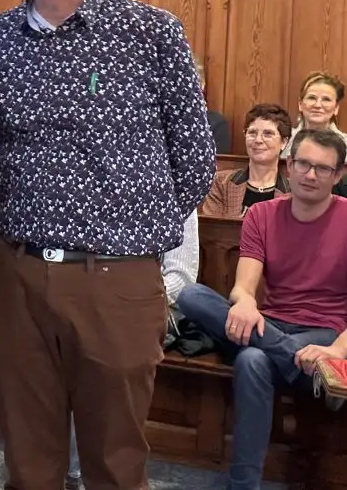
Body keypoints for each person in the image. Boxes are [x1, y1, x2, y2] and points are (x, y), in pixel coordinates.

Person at [0, 0, 216, 490]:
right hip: (17, 275)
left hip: (116, 279)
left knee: (115, 462)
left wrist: (130, 230)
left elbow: (194, 160)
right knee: (27, 459)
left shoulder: (149, 33)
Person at [177, 128, 347, 489]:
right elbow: (244, 286)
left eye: (322, 168)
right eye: (303, 164)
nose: (310, 174)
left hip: (323, 332)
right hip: (268, 322)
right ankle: (322, 371)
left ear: (337, 175)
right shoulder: (262, 214)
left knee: (252, 360)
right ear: (289, 166)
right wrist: (244, 302)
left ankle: (243, 485)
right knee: (190, 296)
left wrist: (337, 350)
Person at [65, 209, 201, 488]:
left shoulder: (175, 186)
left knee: (102, 350)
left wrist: (131, 293)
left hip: (146, 304)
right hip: (81, 301)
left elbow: (182, 277)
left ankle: (82, 472)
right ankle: (67, 470)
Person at [201, 103, 292, 217]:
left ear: (284, 142)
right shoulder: (221, 183)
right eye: (252, 133)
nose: (258, 140)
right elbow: (213, 232)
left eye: (268, 134)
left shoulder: (293, 192)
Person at [281, 71, 347, 162]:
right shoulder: (283, 141)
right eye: (312, 98)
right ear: (300, 104)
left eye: (326, 99)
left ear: (336, 108)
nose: (318, 105)